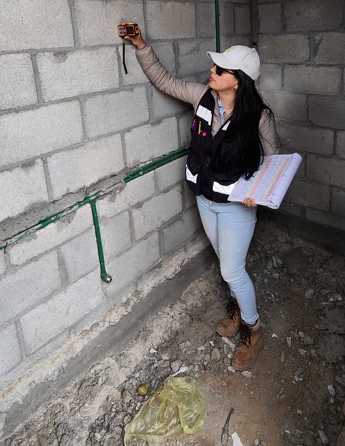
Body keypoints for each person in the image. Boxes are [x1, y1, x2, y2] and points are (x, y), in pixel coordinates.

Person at [117, 22, 280, 371]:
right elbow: (164, 80)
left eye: (220, 69)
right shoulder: (201, 97)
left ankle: (252, 328)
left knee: (232, 270)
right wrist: (141, 45)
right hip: (205, 200)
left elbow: (272, 162)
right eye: (214, 66)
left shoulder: (259, 117)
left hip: (236, 207)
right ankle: (239, 310)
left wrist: (258, 194)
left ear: (238, 81)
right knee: (227, 266)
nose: (212, 71)